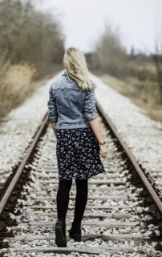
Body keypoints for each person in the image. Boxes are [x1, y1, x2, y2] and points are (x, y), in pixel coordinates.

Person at [47, 47, 108, 247]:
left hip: (64, 134)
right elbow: (91, 115)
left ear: (66, 62)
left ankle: (60, 223)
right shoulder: (87, 85)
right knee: (82, 182)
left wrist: (61, 136)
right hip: (83, 135)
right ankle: (76, 228)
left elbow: (52, 119)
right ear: (81, 61)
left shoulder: (55, 85)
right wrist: (102, 143)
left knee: (64, 180)